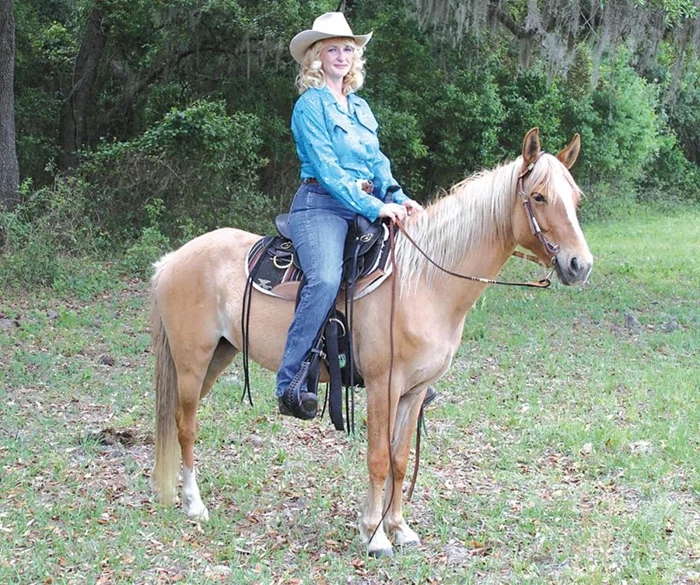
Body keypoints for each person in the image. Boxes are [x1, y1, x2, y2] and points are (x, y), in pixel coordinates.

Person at [277, 12, 425, 420]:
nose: (342, 56)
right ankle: (291, 381)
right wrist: (376, 206)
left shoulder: (359, 106)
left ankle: (406, 367)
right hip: (320, 204)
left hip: (363, 204)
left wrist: (398, 196)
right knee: (325, 279)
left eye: (348, 49)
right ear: (317, 57)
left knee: (404, 269)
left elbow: (376, 161)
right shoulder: (310, 106)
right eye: (332, 49)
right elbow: (328, 170)